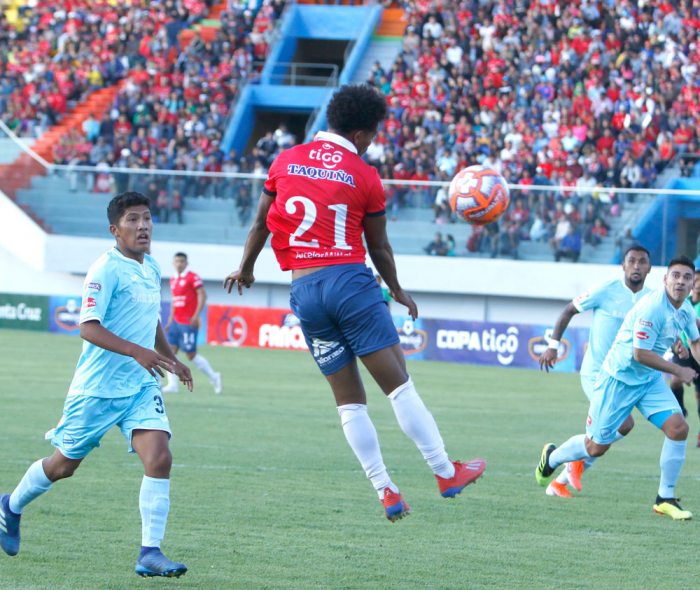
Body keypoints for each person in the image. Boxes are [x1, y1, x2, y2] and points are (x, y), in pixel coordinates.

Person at [223, 84, 485, 522]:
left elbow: (261, 223)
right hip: (348, 281)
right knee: (398, 385)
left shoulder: (286, 161)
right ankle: (445, 472)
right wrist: (396, 288)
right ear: (362, 134)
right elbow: (378, 246)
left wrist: (246, 268)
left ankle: (386, 490)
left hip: (305, 292)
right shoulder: (363, 175)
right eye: (374, 134)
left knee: (349, 402)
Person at [0, 192, 193, 576]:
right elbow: (88, 327)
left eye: (147, 218)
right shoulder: (105, 269)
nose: (143, 226)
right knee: (63, 466)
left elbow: (151, 317)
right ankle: (10, 506)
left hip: (139, 386)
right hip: (97, 390)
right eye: (133, 219)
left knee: (160, 458)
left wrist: (170, 358)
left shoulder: (152, 267)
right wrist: (137, 351)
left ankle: (149, 553)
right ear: (114, 230)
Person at [536, 256, 700, 520]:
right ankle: (553, 457)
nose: (680, 281)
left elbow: (695, 342)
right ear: (665, 279)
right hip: (618, 380)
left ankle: (664, 498)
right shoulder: (652, 307)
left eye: (687, 277)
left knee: (678, 428)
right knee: (595, 447)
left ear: (692, 284)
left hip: (648, 381)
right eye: (676, 276)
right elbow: (640, 354)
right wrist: (678, 370)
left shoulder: (686, 310)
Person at [538, 245, 652, 498]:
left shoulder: (651, 299)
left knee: (622, 428)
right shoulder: (606, 289)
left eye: (642, 261)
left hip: (622, 378)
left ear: (649, 268)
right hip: (596, 374)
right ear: (623, 265)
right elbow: (569, 310)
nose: (636, 265)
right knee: (621, 425)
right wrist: (553, 346)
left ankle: (560, 479)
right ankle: (559, 458)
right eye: (631, 261)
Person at [162, 252, 222, 394]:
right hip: (176, 321)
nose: (179, 264)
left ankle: (214, 377)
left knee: (191, 355)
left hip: (188, 321)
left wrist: (196, 316)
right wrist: (170, 319)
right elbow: (175, 300)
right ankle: (172, 385)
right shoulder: (173, 279)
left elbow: (203, 295)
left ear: (186, 263)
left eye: (182, 261)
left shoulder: (192, 277)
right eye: (177, 261)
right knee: (170, 352)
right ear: (173, 263)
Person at [668, 269, 700, 445]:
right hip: (682, 349)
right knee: (675, 381)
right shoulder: (682, 302)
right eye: (696, 280)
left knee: (699, 395)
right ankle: (680, 410)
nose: (698, 283)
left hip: (698, 350)